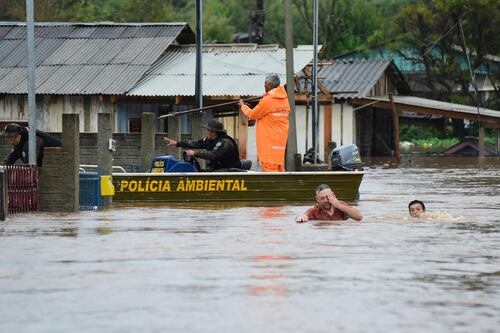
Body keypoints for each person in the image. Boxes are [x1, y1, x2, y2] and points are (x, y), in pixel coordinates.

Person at [238, 73, 289, 172]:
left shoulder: (268, 100)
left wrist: (243, 106)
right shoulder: (284, 99)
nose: (264, 86)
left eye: (265, 84)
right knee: (279, 167)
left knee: (269, 169)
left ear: (269, 85)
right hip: (279, 142)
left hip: (268, 141)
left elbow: (252, 114)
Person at [163, 119, 242, 171]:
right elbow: (196, 143)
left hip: (230, 170)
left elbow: (212, 154)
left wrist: (194, 153)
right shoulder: (210, 140)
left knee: (210, 176)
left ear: (213, 132)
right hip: (218, 169)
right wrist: (177, 143)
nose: (206, 132)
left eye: (208, 130)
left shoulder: (225, 142)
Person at [296, 184, 363, 223]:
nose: (326, 200)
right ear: (317, 199)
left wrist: (339, 206)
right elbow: (305, 215)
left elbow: (359, 217)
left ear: (333, 195)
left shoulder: (341, 205)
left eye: (328, 197)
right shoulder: (315, 211)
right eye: (322, 198)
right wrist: (301, 217)